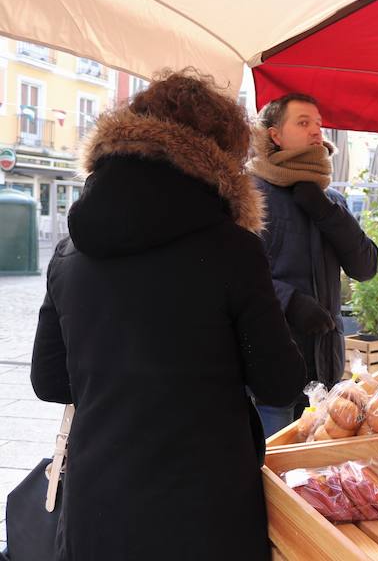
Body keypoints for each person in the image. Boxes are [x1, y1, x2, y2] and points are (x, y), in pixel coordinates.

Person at [30, 69, 305, 561]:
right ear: (220, 158)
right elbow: (280, 384)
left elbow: (50, 380)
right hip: (204, 516)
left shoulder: (70, 249)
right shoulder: (232, 251)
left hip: (97, 510)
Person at [248, 93, 378, 436]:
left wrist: (325, 211)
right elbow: (230, 274)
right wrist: (290, 301)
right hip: (268, 364)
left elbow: (365, 266)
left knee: (314, 477)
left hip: (324, 369)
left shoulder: (330, 200)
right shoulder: (248, 194)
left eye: (318, 123)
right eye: (303, 122)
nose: (316, 131)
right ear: (274, 135)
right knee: (269, 470)